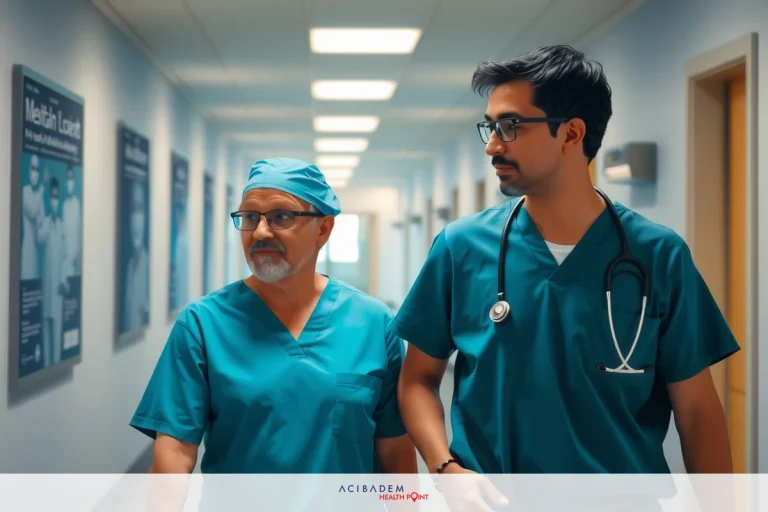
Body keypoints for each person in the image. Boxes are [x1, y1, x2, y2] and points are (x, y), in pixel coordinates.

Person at [390, 45, 738, 507]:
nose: (493, 144)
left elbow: (696, 411)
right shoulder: (461, 247)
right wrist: (444, 469)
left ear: (571, 133)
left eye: (510, 126)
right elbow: (417, 380)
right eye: (490, 127)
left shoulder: (657, 254)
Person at [130, 157, 417, 478]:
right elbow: (175, 450)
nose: (261, 231)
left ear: (323, 228)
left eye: (282, 216)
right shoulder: (203, 324)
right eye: (250, 217)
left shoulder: (373, 323)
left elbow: (394, 447)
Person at [37, 176, 68, 366]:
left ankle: (55, 363)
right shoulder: (46, 224)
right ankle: (47, 364)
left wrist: (63, 280)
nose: (55, 201)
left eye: (57, 197)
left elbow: (65, 258)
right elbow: (39, 238)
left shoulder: (63, 227)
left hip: (57, 290)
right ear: (49, 199)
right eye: (52, 197)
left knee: (57, 331)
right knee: (46, 330)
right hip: (46, 288)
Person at [122, 181, 149, 333]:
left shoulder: (148, 263)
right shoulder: (130, 265)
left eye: (140, 208)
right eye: (133, 208)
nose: (136, 216)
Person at [21, 154, 45, 281]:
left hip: (37, 255)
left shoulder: (39, 197)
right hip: (27, 253)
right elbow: (33, 212)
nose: (35, 173)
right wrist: (41, 189)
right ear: (28, 169)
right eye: (33, 168)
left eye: (37, 169)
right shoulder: (24, 192)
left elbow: (41, 221)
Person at [61, 164, 82, 277]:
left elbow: (79, 232)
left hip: (75, 261)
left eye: (71, 178)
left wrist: (77, 257)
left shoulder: (77, 204)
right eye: (68, 178)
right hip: (65, 261)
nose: (70, 181)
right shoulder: (64, 206)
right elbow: (63, 235)